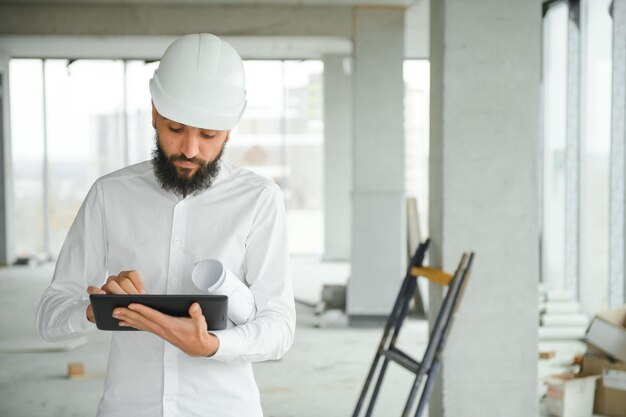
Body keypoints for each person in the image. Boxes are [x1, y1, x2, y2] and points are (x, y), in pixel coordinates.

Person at [36, 33, 296, 417]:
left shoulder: (259, 199)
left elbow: (279, 327)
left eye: (207, 135)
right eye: (175, 129)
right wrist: (97, 309)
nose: (190, 149)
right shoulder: (110, 194)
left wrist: (213, 346)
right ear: (154, 112)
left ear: (228, 130)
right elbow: (50, 315)